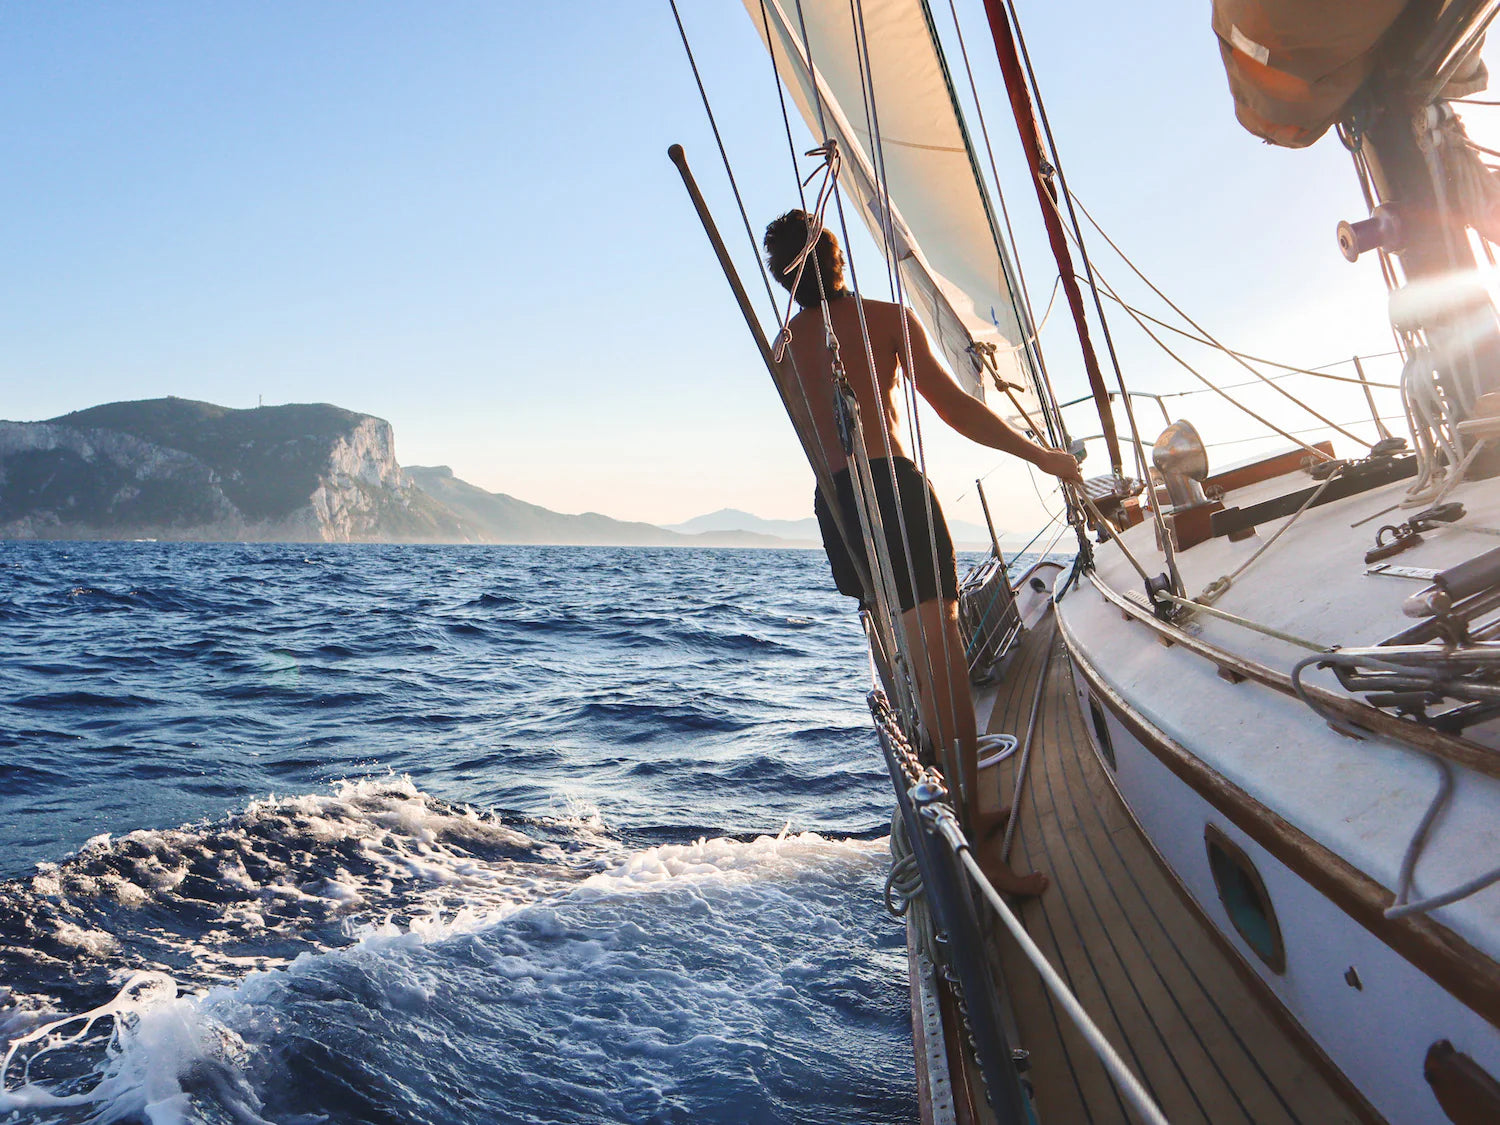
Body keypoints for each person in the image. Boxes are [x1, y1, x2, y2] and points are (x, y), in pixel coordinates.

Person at [763, 209, 1082, 896]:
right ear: (839, 261)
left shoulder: (782, 348)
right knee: (941, 664)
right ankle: (973, 846)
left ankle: (959, 809)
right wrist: (1043, 456)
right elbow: (955, 410)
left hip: (838, 507)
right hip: (894, 492)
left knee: (907, 667)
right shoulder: (885, 318)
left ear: (783, 279)